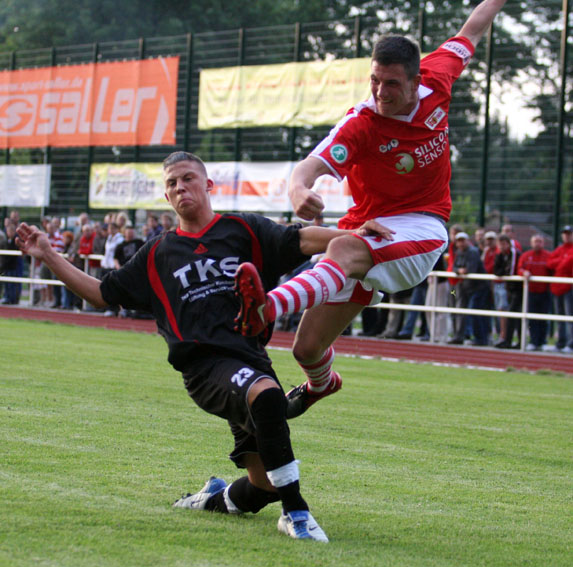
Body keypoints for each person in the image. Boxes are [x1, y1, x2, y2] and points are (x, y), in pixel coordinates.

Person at [16, 151, 384, 542]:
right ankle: (297, 514)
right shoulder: (157, 253)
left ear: (208, 185)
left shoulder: (243, 229)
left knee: (264, 485)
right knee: (267, 397)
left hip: (251, 360)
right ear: (166, 196)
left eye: (188, 178)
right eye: (172, 183)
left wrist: (354, 237)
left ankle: (209, 499)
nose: (180, 188)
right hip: (204, 368)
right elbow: (101, 294)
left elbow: (301, 239)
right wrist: (49, 255)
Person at [234, 0, 508, 417]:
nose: (380, 92)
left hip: (422, 227)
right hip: (368, 230)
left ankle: (265, 309)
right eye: (375, 81)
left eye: (392, 83)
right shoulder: (361, 122)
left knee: (341, 246)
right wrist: (297, 188)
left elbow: (473, 26)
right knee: (306, 349)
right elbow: (311, 165)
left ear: (416, 81)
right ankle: (322, 384)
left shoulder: (439, 75)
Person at [448, 232, 490, 346]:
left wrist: (461, 271)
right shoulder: (458, 252)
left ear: (467, 241)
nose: (461, 243)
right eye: (459, 241)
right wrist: (459, 270)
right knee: (462, 310)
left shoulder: (473, 252)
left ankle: (481, 339)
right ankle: (461, 336)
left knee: (474, 312)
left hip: (478, 287)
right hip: (464, 287)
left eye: (463, 240)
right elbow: (454, 268)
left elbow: (471, 269)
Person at [517, 234, 552, 351]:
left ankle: (542, 341)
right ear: (531, 243)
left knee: (543, 317)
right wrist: (524, 273)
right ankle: (533, 341)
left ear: (543, 243)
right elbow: (519, 269)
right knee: (531, 318)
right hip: (530, 292)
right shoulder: (526, 256)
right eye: (535, 241)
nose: (537, 243)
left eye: (540, 241)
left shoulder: (548, 256)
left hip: (544, 292)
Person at [547, 226, 573, 352]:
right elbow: (549, 263)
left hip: (569, 287)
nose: (567, 236)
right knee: (560, 317)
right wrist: (562, 260)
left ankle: (571, 344)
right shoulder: (560, 249)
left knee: (570, 316)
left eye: (569, 233)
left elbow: (567, 264)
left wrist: (561, 262)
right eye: (565, 234)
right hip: (557, 287)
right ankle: (561, 343)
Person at [493, 234, 522, 348]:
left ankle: (511, 340)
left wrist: (503, 273)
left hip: (518, 288)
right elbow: (496, 271)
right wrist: (503, 272)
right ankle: (508, 340)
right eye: (500, 244)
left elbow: (510, 272)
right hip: (509, 288)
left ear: (509, 244)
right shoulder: (500, 255)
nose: (501, 246)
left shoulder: (514, 253)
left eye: (504, 244)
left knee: (514, 313)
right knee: (511, 313)